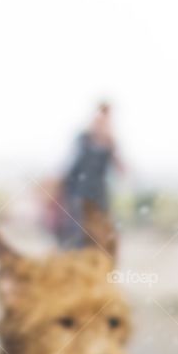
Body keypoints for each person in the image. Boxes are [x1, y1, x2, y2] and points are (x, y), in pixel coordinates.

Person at [57, 102, 123, 248]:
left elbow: (121, 170)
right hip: (79, 193)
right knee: (77, 233)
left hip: (99, 195)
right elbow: (70, 164)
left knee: (99, 235)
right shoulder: (83, 138)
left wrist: (110, 143)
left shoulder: (111, 141)